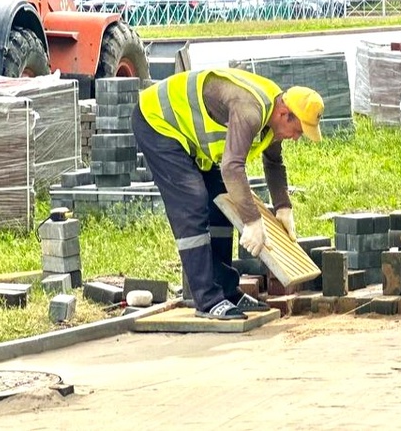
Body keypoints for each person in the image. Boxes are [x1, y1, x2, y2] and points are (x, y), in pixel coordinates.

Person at [135, 69, 323, 320]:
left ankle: (226, 290)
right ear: (283, 114)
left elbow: (274, 163)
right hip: (158, 120)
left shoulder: (273, 113)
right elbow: (232, 167)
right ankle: (206, 300)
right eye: (298, 130)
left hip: (185, 133)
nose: (297, 138)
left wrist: (283, 207)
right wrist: (252, 221)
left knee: (222, 200)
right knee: (192, 202)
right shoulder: (251, 111)